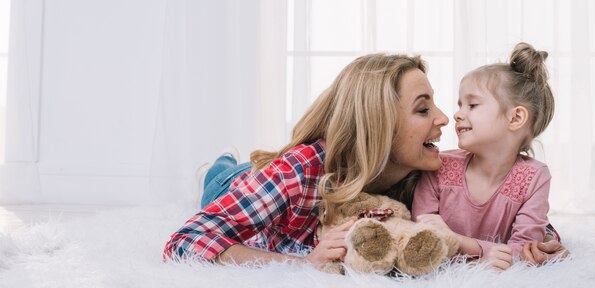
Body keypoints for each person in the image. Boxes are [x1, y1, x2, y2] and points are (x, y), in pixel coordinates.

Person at [163, 53, 450, 268]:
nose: (443, 118)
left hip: (273, 177)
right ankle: (216, 167)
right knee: (216, 180)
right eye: (423, 109)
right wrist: (299, 263)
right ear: (378, 124)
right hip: (237, 183)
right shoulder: (297, 172)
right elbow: (184, 242)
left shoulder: (424, 176)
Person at [412, 43, 567, 270]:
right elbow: (424, 235)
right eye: (460, 105)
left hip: (538, 233)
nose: (456, 114)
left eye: (472, 105)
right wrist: (484, 252)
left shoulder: (535, 176)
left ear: (515, 118)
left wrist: (461, 243)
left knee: (547, 248)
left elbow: (523, 250)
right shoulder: (439, 166)